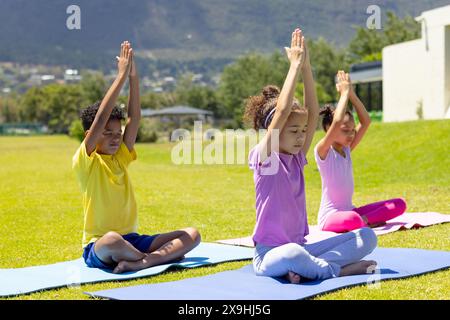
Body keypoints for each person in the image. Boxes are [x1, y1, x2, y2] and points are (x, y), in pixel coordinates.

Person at [244, 29, 377, 283]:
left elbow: (313, 113)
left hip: (302, 248)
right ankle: (335, 270)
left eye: (303, 131)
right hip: (270, 255)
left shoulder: (296, 158)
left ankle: (308, 269)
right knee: (293, 253)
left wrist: (306, 66)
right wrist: (293, 66)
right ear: (275, 131)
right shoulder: (265, 159)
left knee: (366, 237)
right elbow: (282, 112)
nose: (300, 136)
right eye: (293, 131)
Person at [73, 41, 200, 274]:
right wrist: (120, 76)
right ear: (89, 135)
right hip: (98, 245)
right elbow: (100, 118)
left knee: (191, 234)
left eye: (117, 133)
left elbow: (134, 119)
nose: (115, 138)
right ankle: (151, 258)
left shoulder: (121, 156)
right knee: (112, 239)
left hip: (132, 240)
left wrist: (133, 76)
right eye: (107, 133)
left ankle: (144, 261)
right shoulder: (86, 160)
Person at [314, 71, 407, 233]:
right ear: (329, 129)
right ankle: (364, 222)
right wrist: (343, 94)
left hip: (351, 211)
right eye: (345, 130)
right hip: (331, 217)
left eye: (352, 130)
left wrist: (351, 94)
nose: (351, 134)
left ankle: (363, 221)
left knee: (399, 204)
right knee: (352, 219)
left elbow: (366, 121)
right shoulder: (323, 151)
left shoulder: (346, 150)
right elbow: (336, 122)